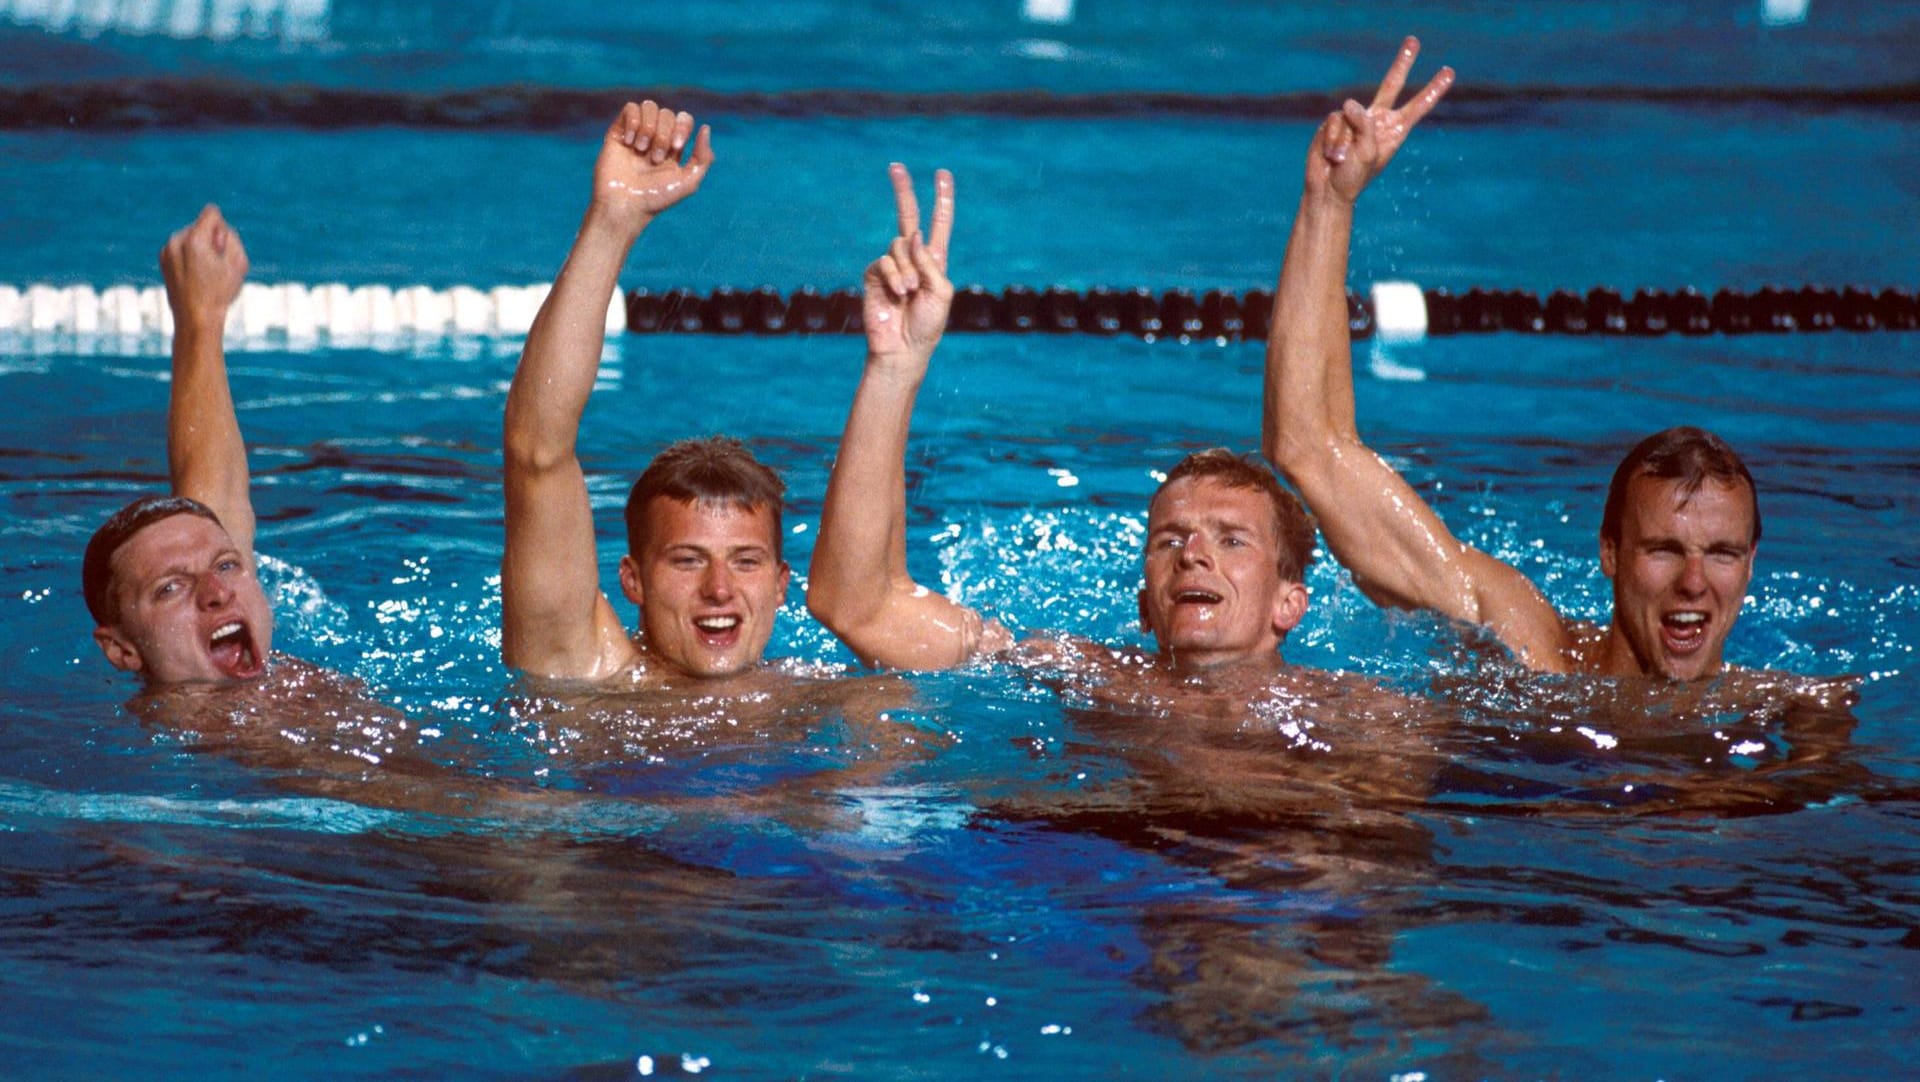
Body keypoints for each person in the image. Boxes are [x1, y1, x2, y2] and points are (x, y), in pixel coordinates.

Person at [806, 53, 1450, 696]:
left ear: (1290, 604)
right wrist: (894, 365)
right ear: (1145, 605)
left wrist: (1330, 203)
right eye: (1170, 540)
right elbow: (858, 608)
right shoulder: (1093, 680)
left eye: (1231, 541)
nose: (1193, 554)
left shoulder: (1365, 723)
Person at [1260, 37, 1817, 687]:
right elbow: (1311, 448)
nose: (1694, 583)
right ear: (1610, 552)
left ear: (1751, 564)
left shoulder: (1790, 709)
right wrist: (1330, 202)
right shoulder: (1534, 652)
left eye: (1720, 554)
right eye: (1663, 549)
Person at [501, 101, 793, 687]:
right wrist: (613, 221)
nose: (719, 590)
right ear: (632, 580)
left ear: (782, 584)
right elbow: (537, 453)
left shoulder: (820, 702)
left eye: (746, 561)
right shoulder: (590, 672)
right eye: (687, 560)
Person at [85, 204, 274, 687]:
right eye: (170, 588)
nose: (218, 593)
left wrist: (202, 317)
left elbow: (216, 499)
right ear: (122, 649)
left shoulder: (234, 679)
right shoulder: (251, 751)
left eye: (228, 565)